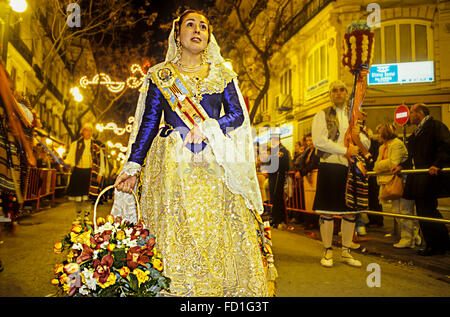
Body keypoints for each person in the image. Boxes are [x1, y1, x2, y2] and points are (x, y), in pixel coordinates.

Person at [112, 10, 274, 296]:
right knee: (175, 224)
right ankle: (174, 286)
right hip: (172, 164)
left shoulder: (222, 74)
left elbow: (237, 115)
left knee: (215, 228)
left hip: (212, 160)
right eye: (190, 25)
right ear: (177, 34)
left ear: (209, 37)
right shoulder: (161, 76)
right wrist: (133, 166)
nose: (197, 30)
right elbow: (148, 125)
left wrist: (211, 126)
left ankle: (217, 288)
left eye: (203, 26)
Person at [311, 80, 370, 268]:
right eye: (334, 90)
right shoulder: (321, 114)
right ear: (330, 94)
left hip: (350, 168)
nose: (338, 93)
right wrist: (344, 150)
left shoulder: (355, 117)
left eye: (341, 89)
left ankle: (346, 252)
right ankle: (328, 251)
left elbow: (366, 145)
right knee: (328, 212)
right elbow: (319, 141)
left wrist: (358, 136)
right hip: (329, 167)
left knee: (350, 213)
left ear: (346, 93)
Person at [393, 103, 450, 256]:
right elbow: (412, 155)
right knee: (426, 211)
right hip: (421, 177)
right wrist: (401, 166)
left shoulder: (435, 126)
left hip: (430, 176)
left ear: (419, 113)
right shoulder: (418, 132)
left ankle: (436, 244)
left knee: (428, 211)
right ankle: (439, 242)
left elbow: (445, 146)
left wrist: (437, 164)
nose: (409, 116)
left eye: (411, 112)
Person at [374, 123, 418, 248]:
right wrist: (383, 165)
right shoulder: (382, 147)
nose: (378, 136)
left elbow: (393, 162)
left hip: (402, 181)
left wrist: (381, 165)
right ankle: (413, 235)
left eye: (380, 132)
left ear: (385, 133)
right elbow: (376, 167)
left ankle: (407, 239)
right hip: (391, 181)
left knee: (404, 211)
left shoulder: (397, 144)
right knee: (396, 212)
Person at [65, 123, 105, 225]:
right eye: (85, 130)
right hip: (78, 171)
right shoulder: (75, 144)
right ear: (82, 132)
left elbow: (101, 161)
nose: (87, 132)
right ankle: (78, 216)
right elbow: (70, 158)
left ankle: (87, 216)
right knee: (78, 197)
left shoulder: (96, 145)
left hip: (91, 173)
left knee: (88, 197)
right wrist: (67, 164)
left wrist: (101, 173)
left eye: (89, 130)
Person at [267, 128, 291, 230]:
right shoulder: (274, 150)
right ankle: (275, 217)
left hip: (278, 175)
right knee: (273, 197)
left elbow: (285, 165)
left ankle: (280, 219)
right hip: (272, 175)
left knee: (278, 197)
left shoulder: (283, 150)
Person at [297, 133, 320, 229]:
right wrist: (301, 171)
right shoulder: (306, 151)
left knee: (314, 199)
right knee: (308, 201)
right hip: (306, 177)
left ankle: (314, 222)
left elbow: (313, 164)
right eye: (308, 140)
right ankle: (308, 220)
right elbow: (302, 162)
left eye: (311, 140)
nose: (309, 142)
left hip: (314, 177)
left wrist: (302, 173)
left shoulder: (317, 151)